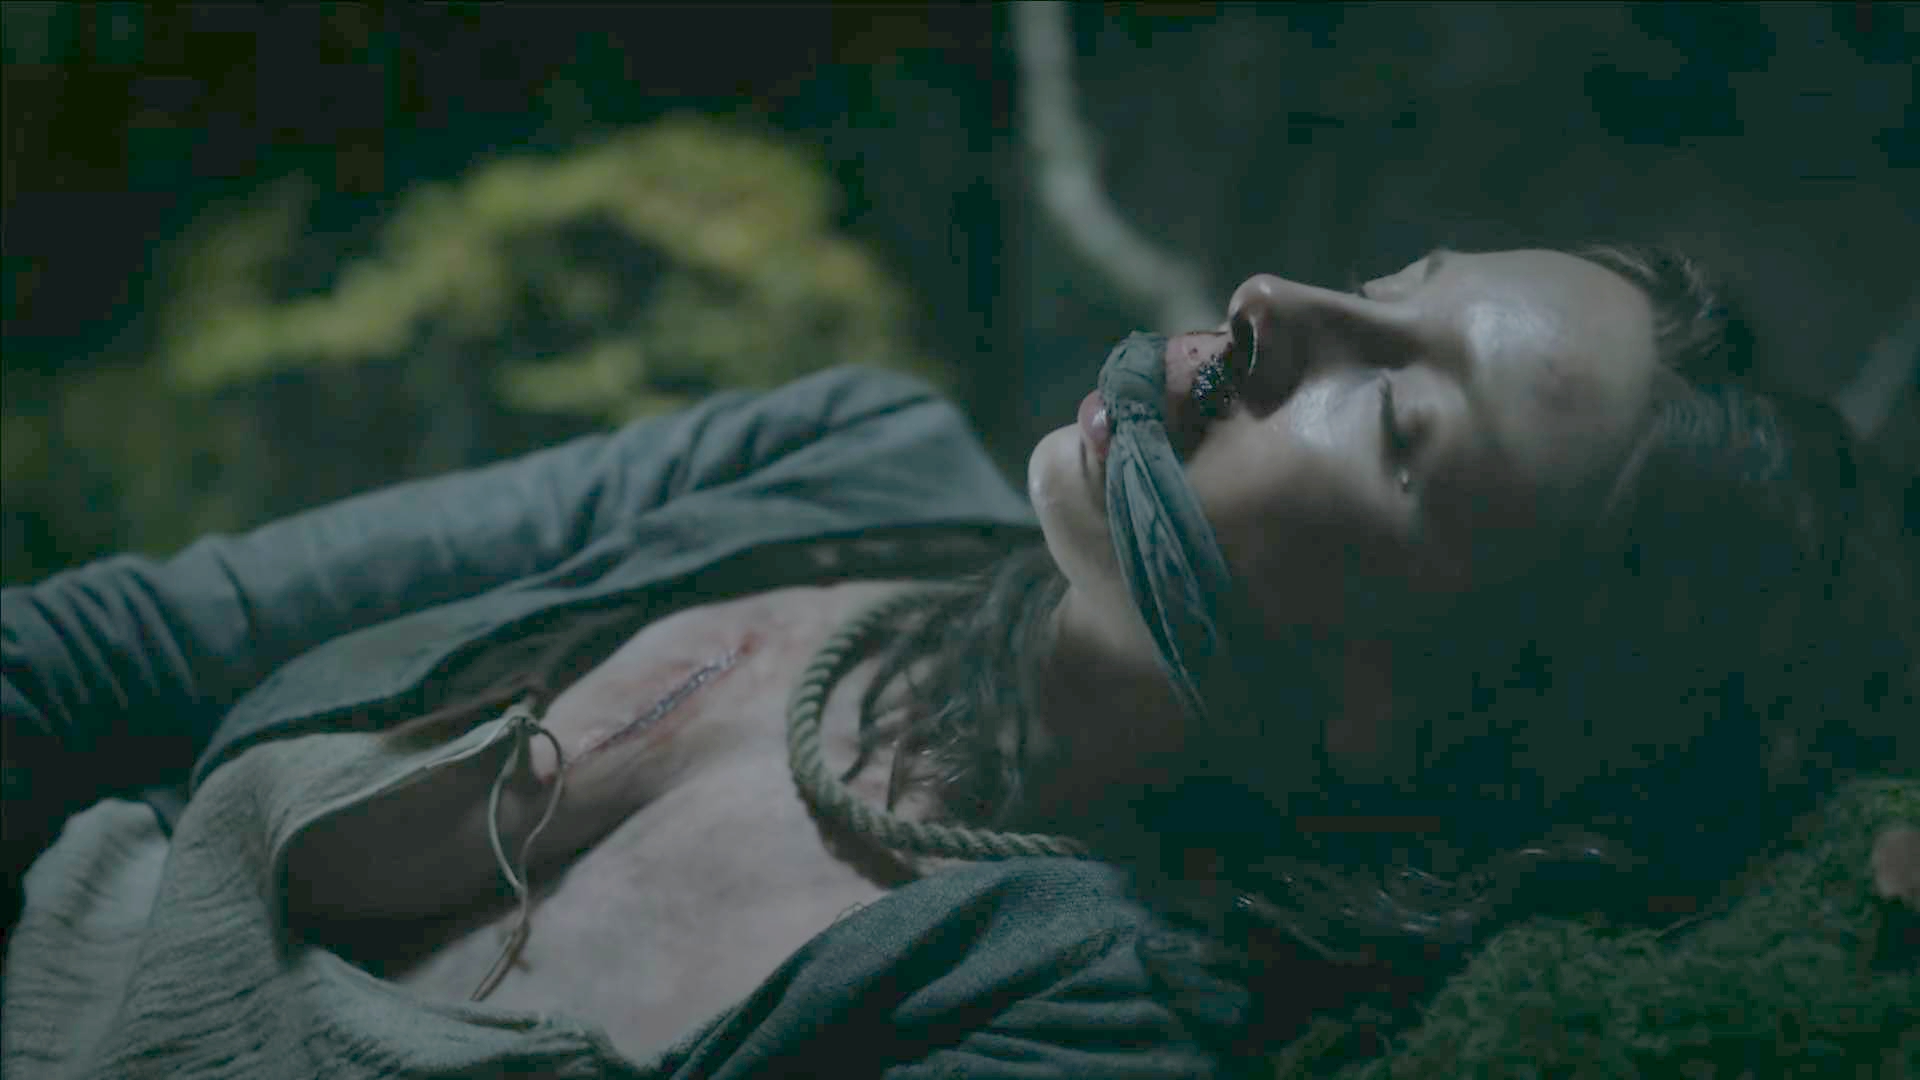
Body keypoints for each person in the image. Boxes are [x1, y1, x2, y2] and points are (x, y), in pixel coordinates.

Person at [2, 244, 1911, 1078]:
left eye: (1403, 424)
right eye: (1391, 278)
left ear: (1423, 718)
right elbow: (115, 650)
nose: (1275, 303)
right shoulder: (835, 461)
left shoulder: (1073, 1022)